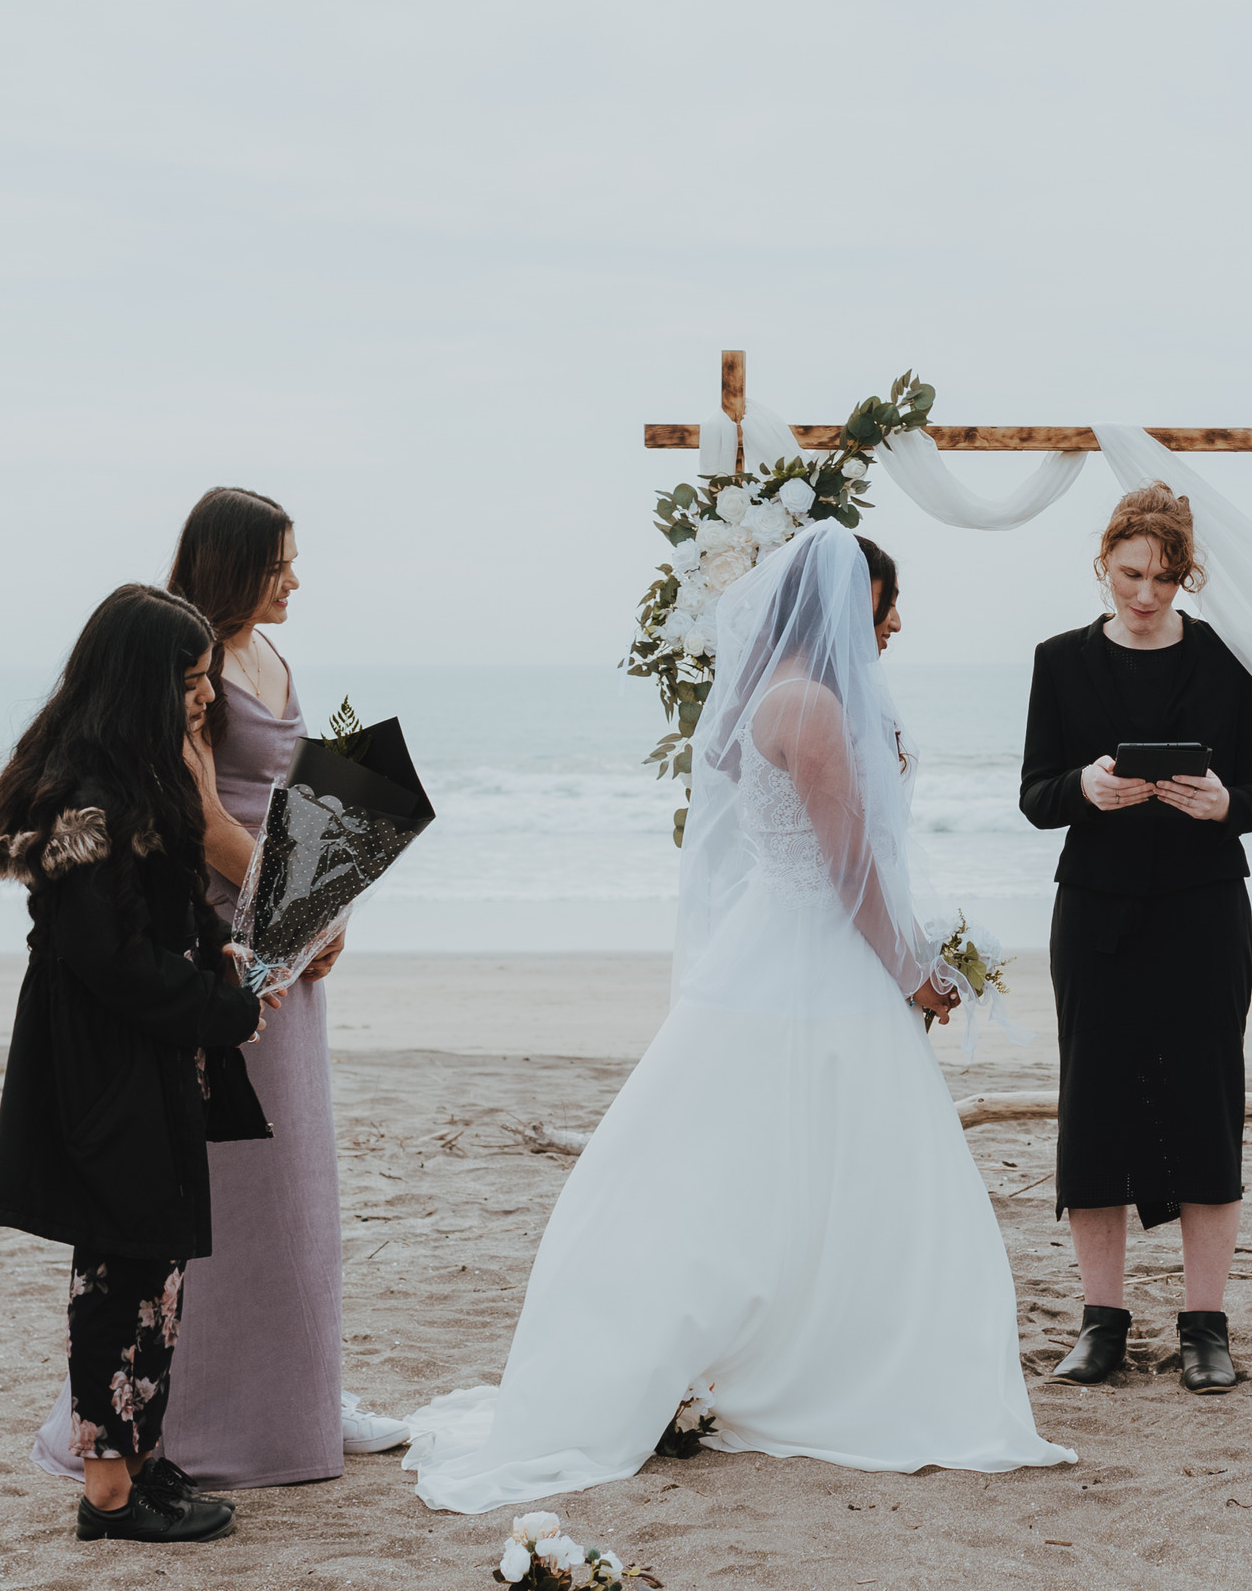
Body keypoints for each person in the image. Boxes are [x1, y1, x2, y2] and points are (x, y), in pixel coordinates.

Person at [402, 519, 1071, 1502]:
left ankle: (776, 1354)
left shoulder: (778, 695)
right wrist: (907, 970)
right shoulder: (808, 707)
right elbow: (846, 868)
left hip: (768, 945)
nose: (893, 625)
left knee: (763, 1159)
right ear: (851, 604)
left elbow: (765, 798)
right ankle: (823, 1365)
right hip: (815, 956)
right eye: (883, 604)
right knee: (842, 1164)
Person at [27, 488, 393, 1494]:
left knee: (302, 1176)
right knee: (241, 1181)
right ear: (233, 564)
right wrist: (295, 913)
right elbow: (201, 820)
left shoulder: (270, 658)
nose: (295, 579)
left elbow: (307, 803)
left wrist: (333, 909)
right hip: (230, 923)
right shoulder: (190, 674)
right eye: (280, 562)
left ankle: (304, 1395)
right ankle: (217, 1412)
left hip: (286, 916)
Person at [0, 584, 281, 1547]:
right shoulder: (86, 798)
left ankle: (135, 1454)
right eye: (188, 681)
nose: (202, 698)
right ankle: (108, 1490)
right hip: (106, 1063)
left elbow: (166, 914)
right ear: (140, 681)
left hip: (146, 1054)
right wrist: (220, 1010)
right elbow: (109, 960)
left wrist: (232, 952)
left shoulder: (133, 776)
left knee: (158, 1254)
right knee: (120, 1259)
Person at [1019, 483, 1252, 1394]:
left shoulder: (1232, 661)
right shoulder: (1058, 662)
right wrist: (1081, 789)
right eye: (1132, 574)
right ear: (1104, 563)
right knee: (1094, 1112)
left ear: (1186, 575)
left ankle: (1205, 1327)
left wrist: (1225, 806)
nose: (1146, 594)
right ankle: (1102, 1325)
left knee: (1206, 1109)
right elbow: (1033, 795)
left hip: (1204, 911)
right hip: (1095, 912)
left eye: (1165, 579)